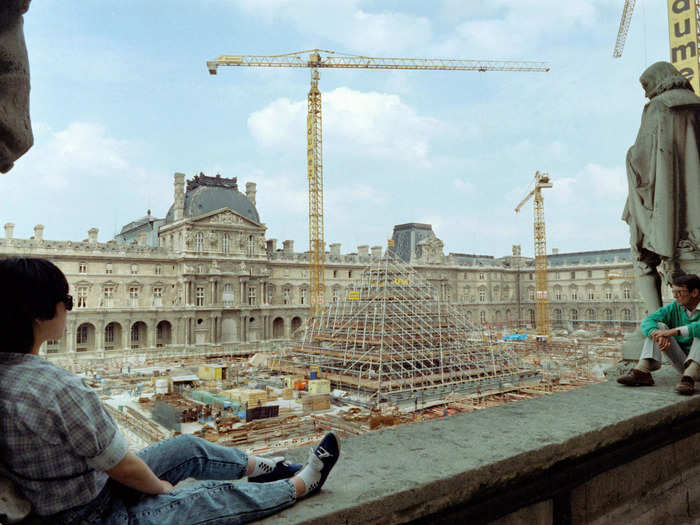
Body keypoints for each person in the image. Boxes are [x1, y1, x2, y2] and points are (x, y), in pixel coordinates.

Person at [0, 257, 340, 524]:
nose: (70, 309)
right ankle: (300, 484)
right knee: (207, 497)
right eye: (68, 301)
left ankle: (268, 467)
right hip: (90, 515)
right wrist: (160, 488)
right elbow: (123, 466)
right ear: (39, 314)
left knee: (186, 446)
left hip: (72, 493)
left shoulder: (12, 375)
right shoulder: (59, 388)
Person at [622, 61, 700, 313]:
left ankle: (656, 320)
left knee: (641, 252)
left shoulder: (658, 107)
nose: (646, 93)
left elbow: (642, 160)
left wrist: (629, 155)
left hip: (669, 208)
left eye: (646, 87)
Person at [617, 274, 700, 395]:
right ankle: (643, 371)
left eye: (679, 292)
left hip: (695, 370)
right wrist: (658, 334)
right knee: (658, 327)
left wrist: (674, 331)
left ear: (694, 292)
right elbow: (648, 320)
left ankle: (689, 378)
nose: (675, 296)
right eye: (674, 292)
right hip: (685, 366)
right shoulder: (674, 307)